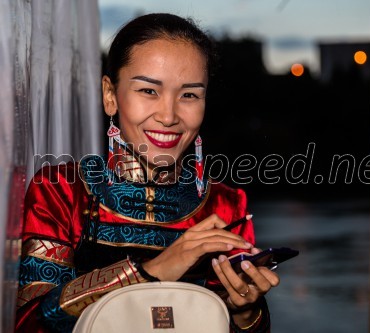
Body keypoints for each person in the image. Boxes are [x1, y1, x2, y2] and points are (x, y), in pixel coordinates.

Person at [15, 13, 279, 333]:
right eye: (149, 91)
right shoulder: (61, 191)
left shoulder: (226, 204)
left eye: (190, 94)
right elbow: (30, 323)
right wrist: (154, 270)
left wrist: (246, 311)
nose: (168, 115)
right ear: (110, 95)